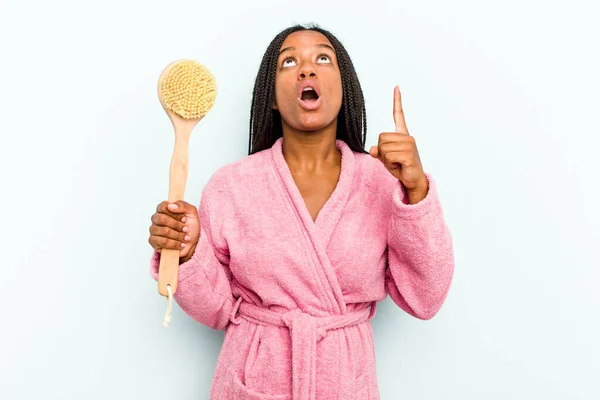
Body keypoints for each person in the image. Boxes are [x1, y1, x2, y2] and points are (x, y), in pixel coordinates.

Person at [148, 23, 454, 400]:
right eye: (288, 62)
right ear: (272, 96)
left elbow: (425, 298)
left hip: (345, 384)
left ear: (345, 88)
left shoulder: (381, 183)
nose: (307, 69)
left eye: (322, 58)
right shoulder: (231, 186)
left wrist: (416, 191)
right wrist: (189, 250)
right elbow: (215, 310)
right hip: (252, 381)